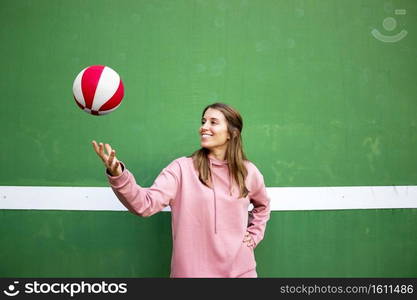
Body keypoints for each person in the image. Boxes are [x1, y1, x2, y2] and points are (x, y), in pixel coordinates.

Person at [92, 102, 270, 278]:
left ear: (232, 133)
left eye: (213, 122)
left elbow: (263, 206)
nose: (204, 127)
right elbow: (144, 204)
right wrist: (118, 174)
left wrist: (254, 235)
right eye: (203, 121)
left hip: (241, 273)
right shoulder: (181, 169)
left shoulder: (249, 172)